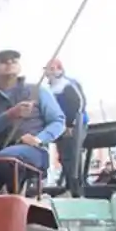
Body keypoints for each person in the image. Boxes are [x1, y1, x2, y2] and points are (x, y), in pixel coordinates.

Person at [0, 50, 65, 196]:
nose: (9, 63)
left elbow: (58, 121)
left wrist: (38, 139)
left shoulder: (38, 91)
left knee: (9, 157)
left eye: (14, 60)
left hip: (33, 152)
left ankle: (16, 195)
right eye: (3, 60)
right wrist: (11, 114)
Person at [45, 59, 88, 196]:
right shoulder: (50, 89)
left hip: (74, 125)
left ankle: (76, 190)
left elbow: (80, 103)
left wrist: (72, 124)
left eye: (52, 69)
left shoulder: (68, 84)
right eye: (48, 69)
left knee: (72, 157)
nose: (49, 72)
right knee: (64, 157)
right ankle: (69, 187)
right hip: (59, 127)